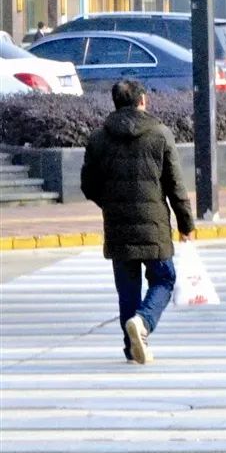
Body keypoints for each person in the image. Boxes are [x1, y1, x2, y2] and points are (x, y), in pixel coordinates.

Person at [81, 79, 194, 363]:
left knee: (127, 289)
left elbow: (88, 185)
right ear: (142, 101)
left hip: (117, 225)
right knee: (164, 278)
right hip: (153, 224)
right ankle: (143, 322)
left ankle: (131, 347)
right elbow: (175, 185)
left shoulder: (98, 138)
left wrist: (109, 203)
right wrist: (186, 224)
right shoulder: (160, 134)